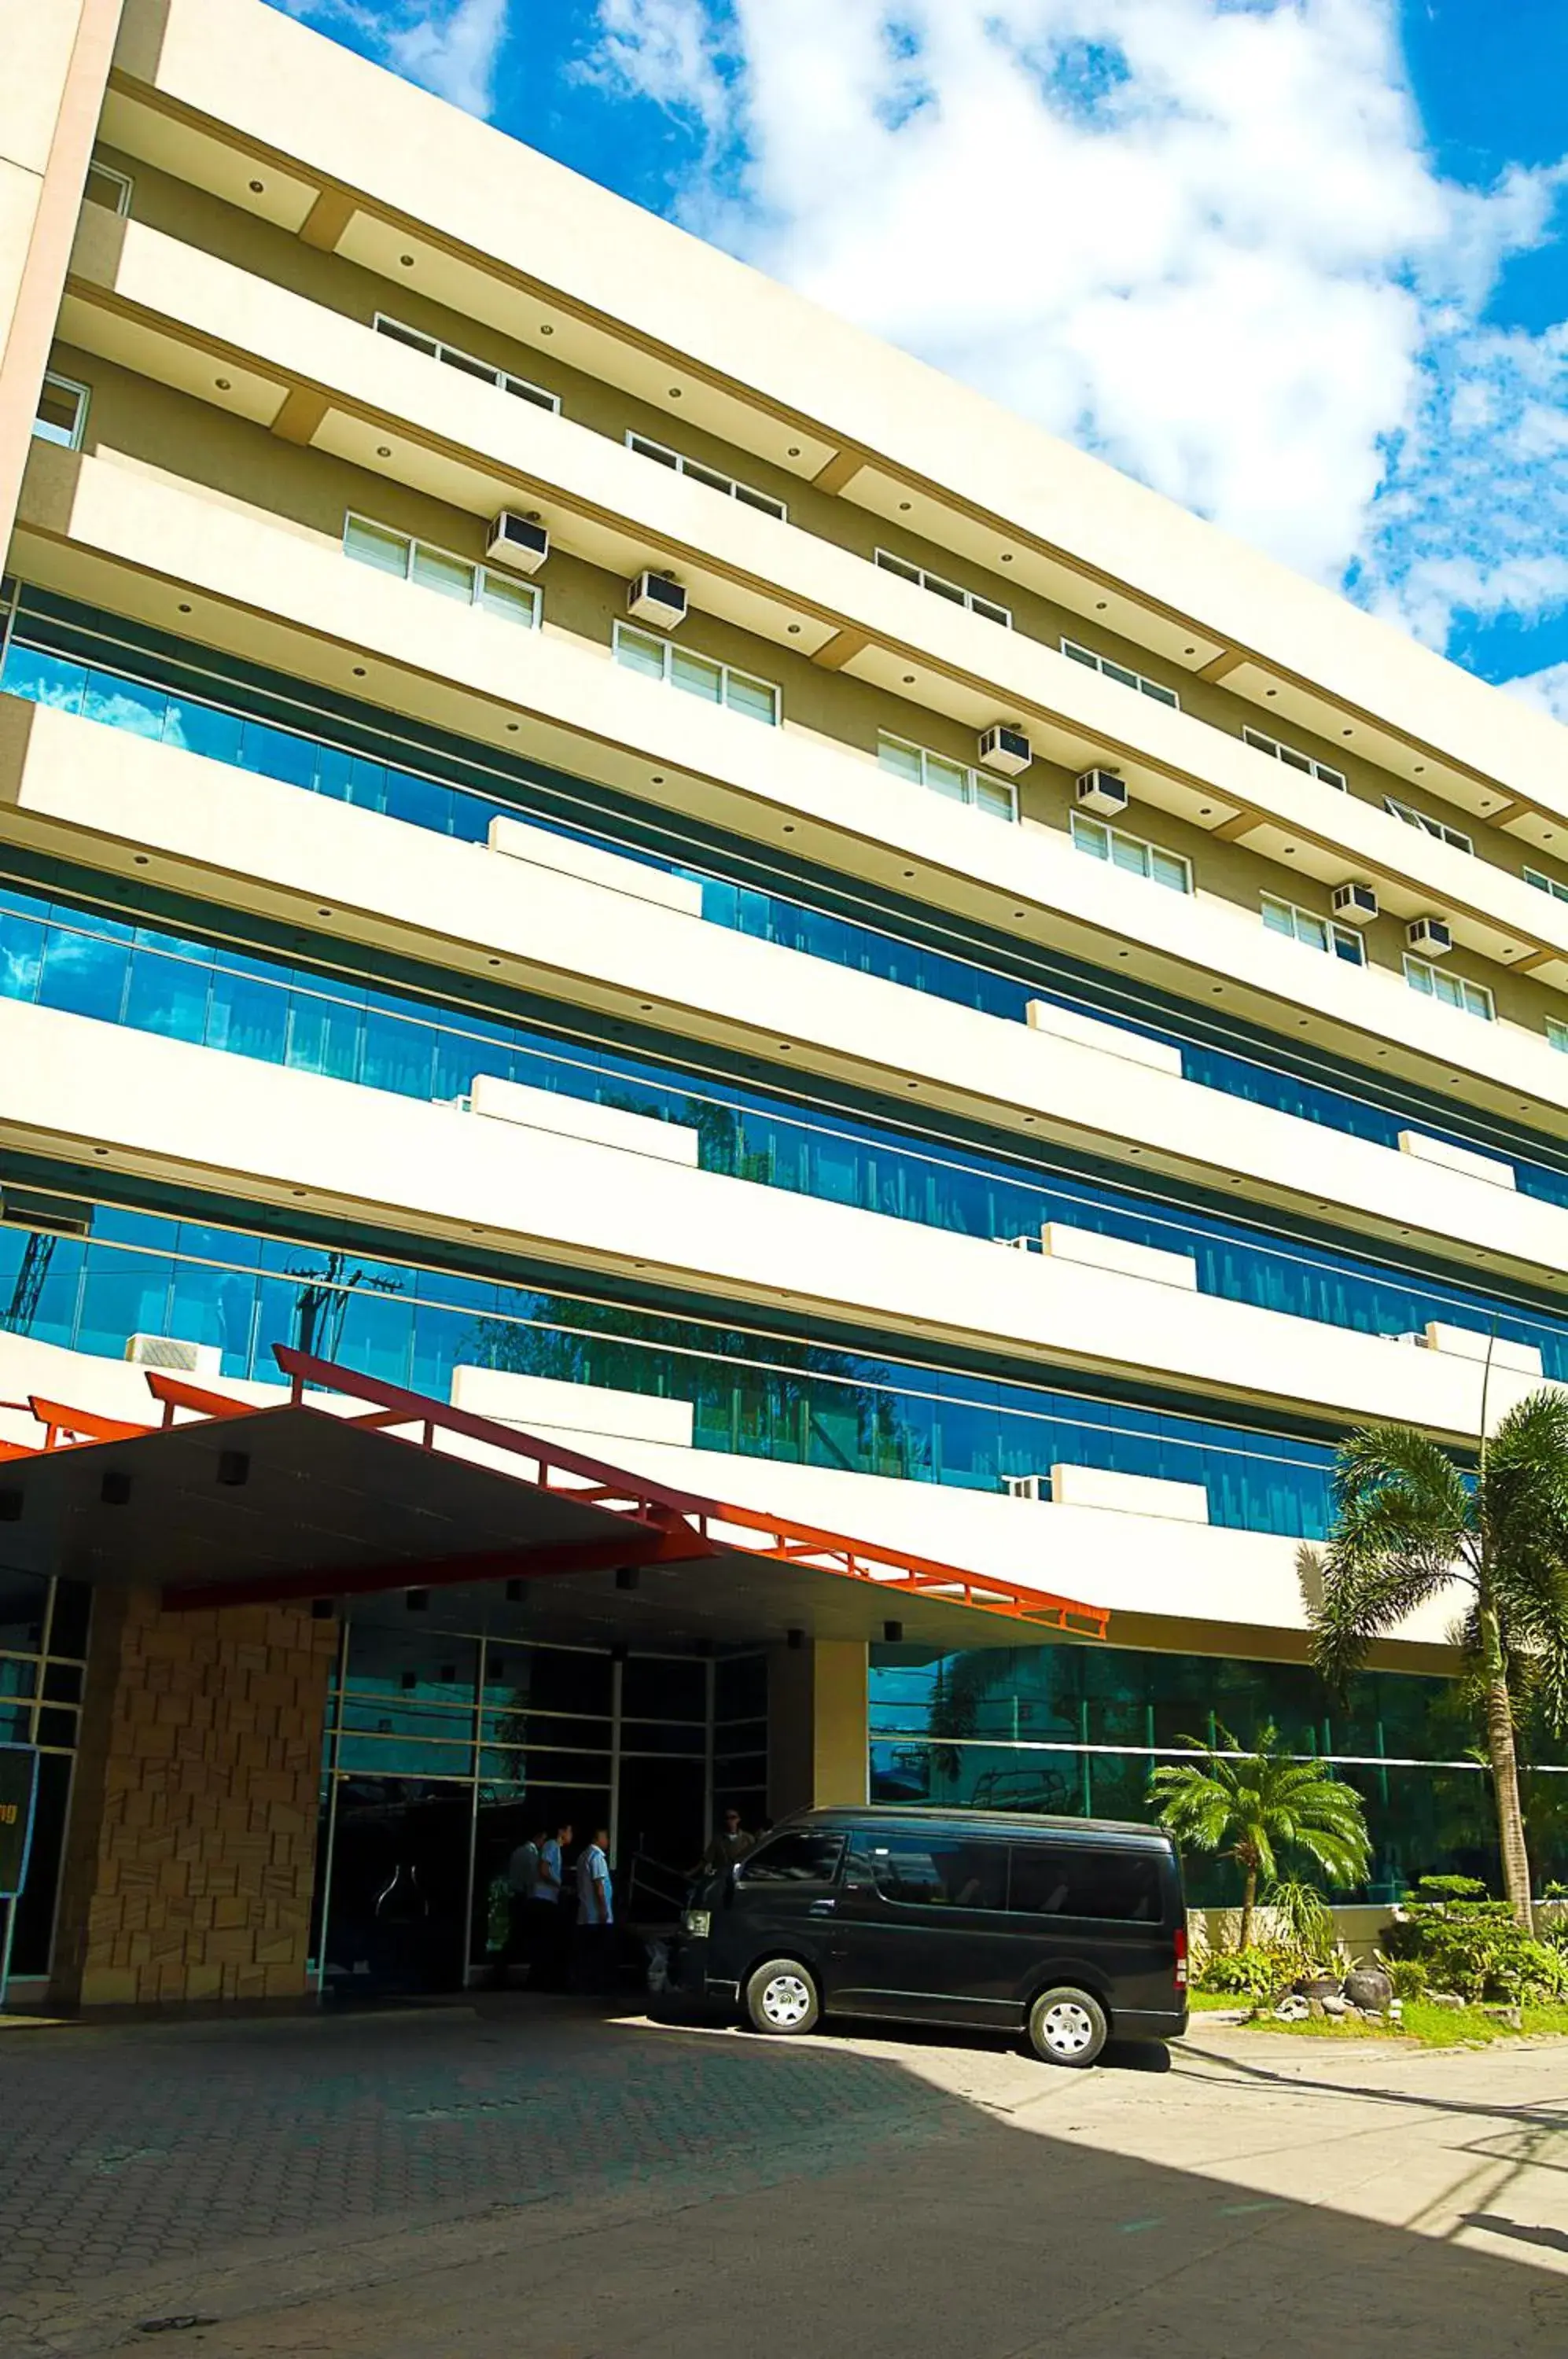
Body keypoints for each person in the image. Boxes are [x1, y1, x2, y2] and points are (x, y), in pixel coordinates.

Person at [528, 1819, 572, 1989]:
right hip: (544, 1899)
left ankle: (538, 1978)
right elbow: (544, 1869)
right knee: (544, 1940)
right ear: (562, 1832)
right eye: (569, 1831)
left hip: (547, 1899)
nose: (571, 1835)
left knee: (543, 1940)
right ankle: (538, 1980)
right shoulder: (552, 1846)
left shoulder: (555, 1848)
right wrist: (559, 1885)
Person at [496, 1825, 542, 1988]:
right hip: (525, 1897)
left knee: (515, 1934)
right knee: (525, 1935)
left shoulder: (517, 1852)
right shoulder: (531, 1855)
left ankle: (501, 1970)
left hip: (515, 1896)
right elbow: (532, 1879)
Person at [573, 1827, 615, 1993]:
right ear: (598, 1839)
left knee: (586, 1953)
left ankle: (585, 1985)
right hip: (596, 1915)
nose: (608, 1841)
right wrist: (603, 1909)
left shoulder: (583, 1856)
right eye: (605, 1838)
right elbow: (599, 1886)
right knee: (599, 1953)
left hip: (585, 1913)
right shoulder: (597, 1857)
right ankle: (598, 1986)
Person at [690, 1809, 754, 1880]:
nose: (730, 1821)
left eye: (733, 1817)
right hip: (722, 1878)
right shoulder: (718, 1840)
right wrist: (692, 1872)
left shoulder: (748, 1838)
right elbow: (706, 1860)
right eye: (727, 1818)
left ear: (738, 1819)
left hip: (742, 1877)